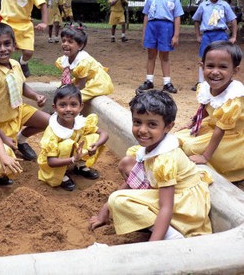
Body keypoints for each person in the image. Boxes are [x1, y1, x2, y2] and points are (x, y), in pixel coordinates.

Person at [89, 90, 212, 241]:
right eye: (137, 122)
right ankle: (158, 226)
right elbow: (132, 180)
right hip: (173, 194)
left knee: (119, 201)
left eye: (152, 124)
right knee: (127, 164)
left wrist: (153, 246)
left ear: (168, 127)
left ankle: (173, 236)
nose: (142, 130)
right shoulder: (152, 147)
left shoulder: (165, 160)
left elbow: (166, 206)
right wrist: (104, 211)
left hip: (185, 205)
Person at [176, 41, 244, 183]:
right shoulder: (206, 87)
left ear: (235, 70)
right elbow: (204, 108)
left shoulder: (234, 97)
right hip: (213, 126)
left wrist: (205, 156)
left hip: (231, 135)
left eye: (223, 67)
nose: (215, 72)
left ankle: (217, 166)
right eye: (210, 66)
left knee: (190, 147)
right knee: (178, 136)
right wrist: (192, 123)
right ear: (202, 66)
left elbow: (221, 130)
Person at [0, 23, 50, 161]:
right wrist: (3, 137)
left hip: (18, 110)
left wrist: (35, 96)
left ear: (14, 45)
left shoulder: (15, 64)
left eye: (7, 44)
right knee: (6, 158)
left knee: (51, 122)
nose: (3, 49)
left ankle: (22, 140)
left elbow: (21, 85)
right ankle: (5, 143)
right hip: (0, 122)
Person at [38, 85, 109, 191]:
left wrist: (96, 145)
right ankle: (59, 175)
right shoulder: (53, 131)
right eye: (62, 105)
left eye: (73, 105)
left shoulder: (80, 123)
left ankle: (80, 165)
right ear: (55, 107)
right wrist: (73, 159)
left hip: (73, 155)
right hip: (53, 164)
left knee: (94, 137)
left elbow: (104, 134)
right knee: (66, 145)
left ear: (81, 106)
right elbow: (51, 162)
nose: (68, 109)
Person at [137, 0, 184, 94]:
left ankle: (167, 83)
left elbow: (177, 17)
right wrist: (144, 34)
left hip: (166, 28)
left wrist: (176, 35)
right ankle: (149, 81)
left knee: (164, 56)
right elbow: (146, 16)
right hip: (152, 27)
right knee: (151, 55)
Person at [191, 0, 237, 91]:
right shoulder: (203, 5)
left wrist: (234, 36)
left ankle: (224, 81)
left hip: (221, 35)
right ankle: (201, 82)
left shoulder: (225, 5)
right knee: (204, 57)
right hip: (207, 35)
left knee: (223, 58)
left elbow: (233, 20)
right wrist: (198, 35)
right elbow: (196, 20)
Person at [55, 24, 114, 102]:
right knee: (61, 90)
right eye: (63, 41)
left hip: (96, 82)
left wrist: (67, 93)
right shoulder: (63, 60)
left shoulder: (83, 61)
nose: (65, 44)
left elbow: (81, 86)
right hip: (82, 79)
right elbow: (66, 78)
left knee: (75, 97)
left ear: (80, 46)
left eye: (70, 42)